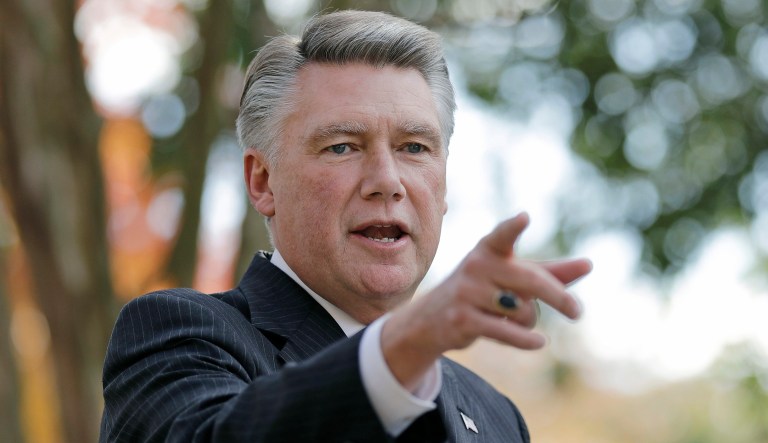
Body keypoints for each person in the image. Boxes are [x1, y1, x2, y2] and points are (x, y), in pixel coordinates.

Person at [99, 10, 591, 443]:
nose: (387, 182)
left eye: (414, 148)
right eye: (342, 146)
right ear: (263, 181)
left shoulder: (497, 415)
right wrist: (408, 343)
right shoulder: (179, 334)